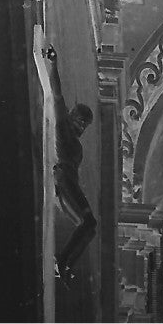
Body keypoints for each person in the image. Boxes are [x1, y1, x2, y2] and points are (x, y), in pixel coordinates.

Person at [34, 42, 96, 281]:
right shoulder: (64, 128)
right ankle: (61, 261)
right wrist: (53, 63)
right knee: (89, 220)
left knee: (89, 228)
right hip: (63, 176)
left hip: (69, 184)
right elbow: (57, 95)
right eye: (79, 121)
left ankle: (66, 266)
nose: (80, 127)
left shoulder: (77, 145)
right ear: (71, 116)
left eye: (84, 125)